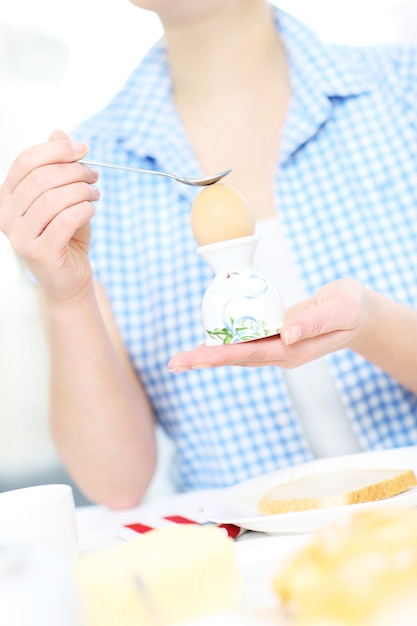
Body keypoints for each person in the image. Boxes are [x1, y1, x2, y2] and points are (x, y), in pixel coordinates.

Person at [1, 0, 417, 509]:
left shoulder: (404, 90)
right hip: (247, 570)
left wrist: (375, 327)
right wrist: (67, 296)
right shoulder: (90, 180)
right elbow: (118, 483)